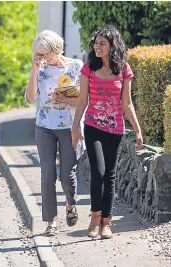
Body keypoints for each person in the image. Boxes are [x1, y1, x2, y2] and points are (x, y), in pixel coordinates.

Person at [71, 25, 143, 239]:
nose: (97, 46)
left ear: (113, 46)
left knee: (110, 176)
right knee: (99, 172)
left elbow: (127, 103)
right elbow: (83, 100)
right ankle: (95, 217)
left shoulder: (123, 70)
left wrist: (137, 131)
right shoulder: (88, 68)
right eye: (96, 43)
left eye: (102, 43)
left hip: (115, 130)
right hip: (93, 126)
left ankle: (106, 222)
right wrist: (75, 128)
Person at [24, 30, 83, 236]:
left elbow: (84, 99)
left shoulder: (76, 67)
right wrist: (34, 69)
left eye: (46, 53)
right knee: (47, 174)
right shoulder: (40, 69)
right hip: (44, 127)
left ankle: (70, 203)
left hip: (69, 127)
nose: (43, 58)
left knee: (67, 175)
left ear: (58, 49)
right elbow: (30, 99)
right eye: (39, 54)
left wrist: (65, 98)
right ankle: (51, 221)